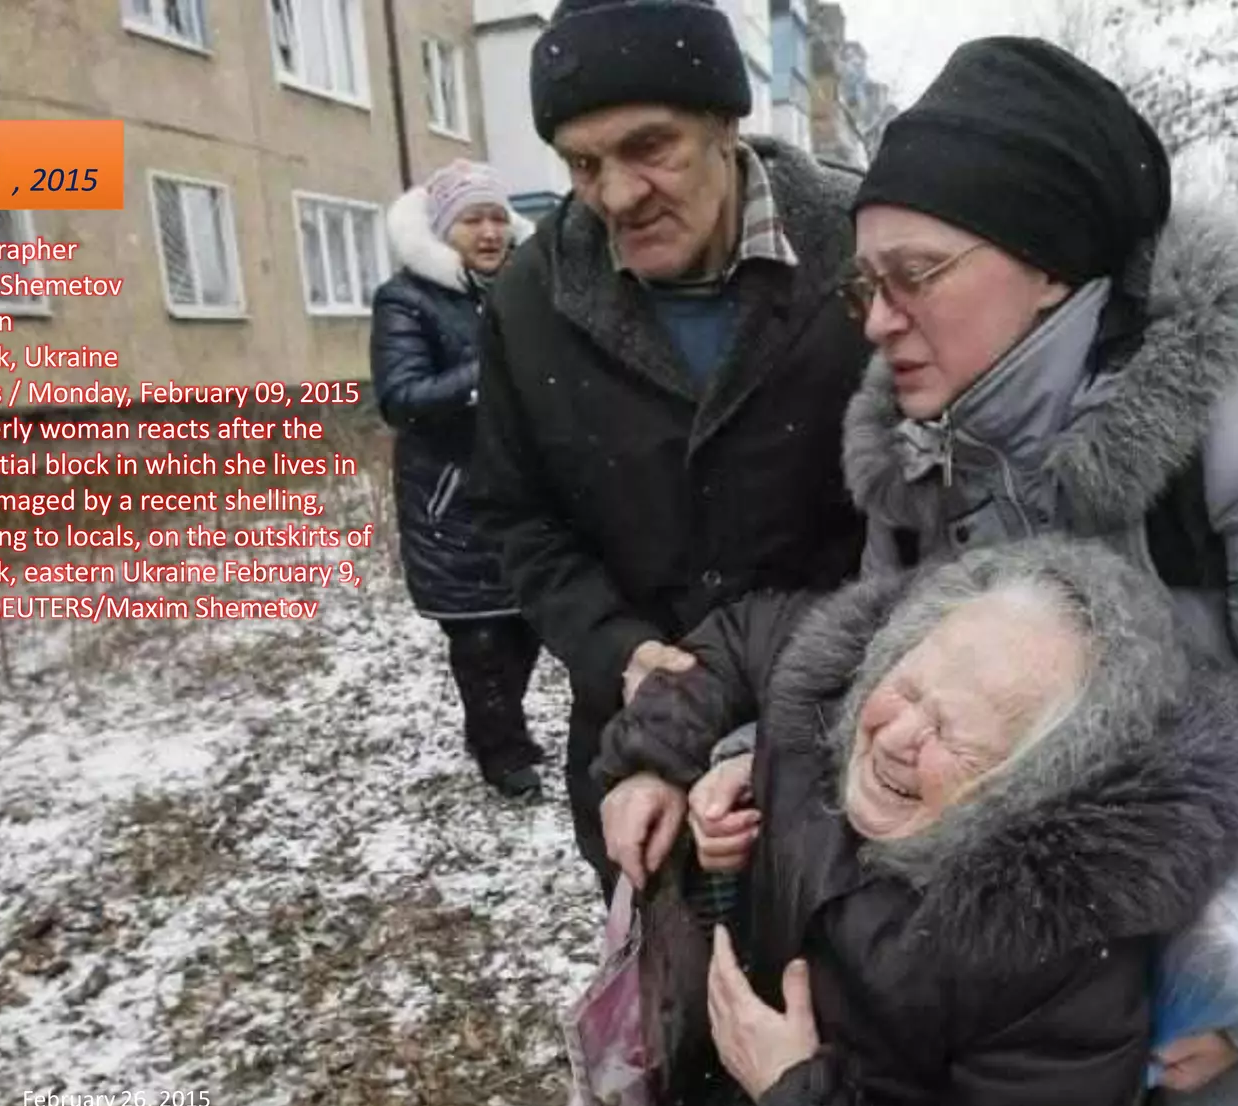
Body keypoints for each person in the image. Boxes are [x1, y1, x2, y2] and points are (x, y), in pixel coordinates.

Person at [824, 38, 1238, 1106]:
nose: (880, 320)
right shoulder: (923, 461)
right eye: (864, 284)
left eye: (915, 274)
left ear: (1047, 266)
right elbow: (880, 689)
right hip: (1033, 1028)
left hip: (1212, 1036)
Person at [593, 538, 1238, 1106]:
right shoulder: (843, 675)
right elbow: (743, 640)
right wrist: (656, 761)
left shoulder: (1059, 963)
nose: (895, 739)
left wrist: (800, 1098)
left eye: (954, 735)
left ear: (1035, 786)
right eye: (905, 690)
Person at [469, 0, 874, 894]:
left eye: (650, 147)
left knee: (844, 1011)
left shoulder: (863, 250)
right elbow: (517, 517)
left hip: (850, 750)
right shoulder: (530, 302)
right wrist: (619, 649)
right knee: (666, 1016)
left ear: (726, 124)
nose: (616, 195)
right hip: (636, 760)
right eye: (583, 163)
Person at [371, 160, 545, 799]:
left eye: (498, 217)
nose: (490, 232)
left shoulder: (524, 288)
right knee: (480, 642)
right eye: (473, 219)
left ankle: (504, 731)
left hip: (524, 496)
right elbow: (401, 396)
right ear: (445, 229)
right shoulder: (406, 299)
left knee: (526, 629)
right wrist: (487, 371)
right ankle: (502, 754)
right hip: (453, 501)